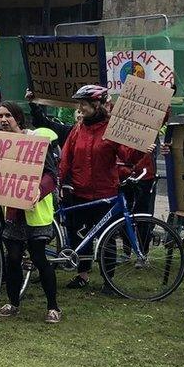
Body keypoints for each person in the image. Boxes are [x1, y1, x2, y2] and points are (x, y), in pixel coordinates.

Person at [57, 84, 141, 290]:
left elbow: (127, 156)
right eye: (80, 104)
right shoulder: (77, 129)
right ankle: (82, 275)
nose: (80, 108)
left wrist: (141, 149)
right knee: (80, 236)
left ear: (98, 105)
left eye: (84, 104)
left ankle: (108, 280)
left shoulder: (112, 129)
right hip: (79, 191)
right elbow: (66, 158)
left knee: (107, 238)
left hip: (105, 193)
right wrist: (59, 181)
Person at [0, 101, 61, 323]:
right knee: (12, 258)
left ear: (18, 118)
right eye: (0, 116)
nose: (3, 120)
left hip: (35, 211)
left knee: (39, 258)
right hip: (12, 212)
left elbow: (51, 174)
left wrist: (38, 191)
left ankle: (53, 307)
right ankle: (13, 303)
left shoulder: (36, 141)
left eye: (8, 116)